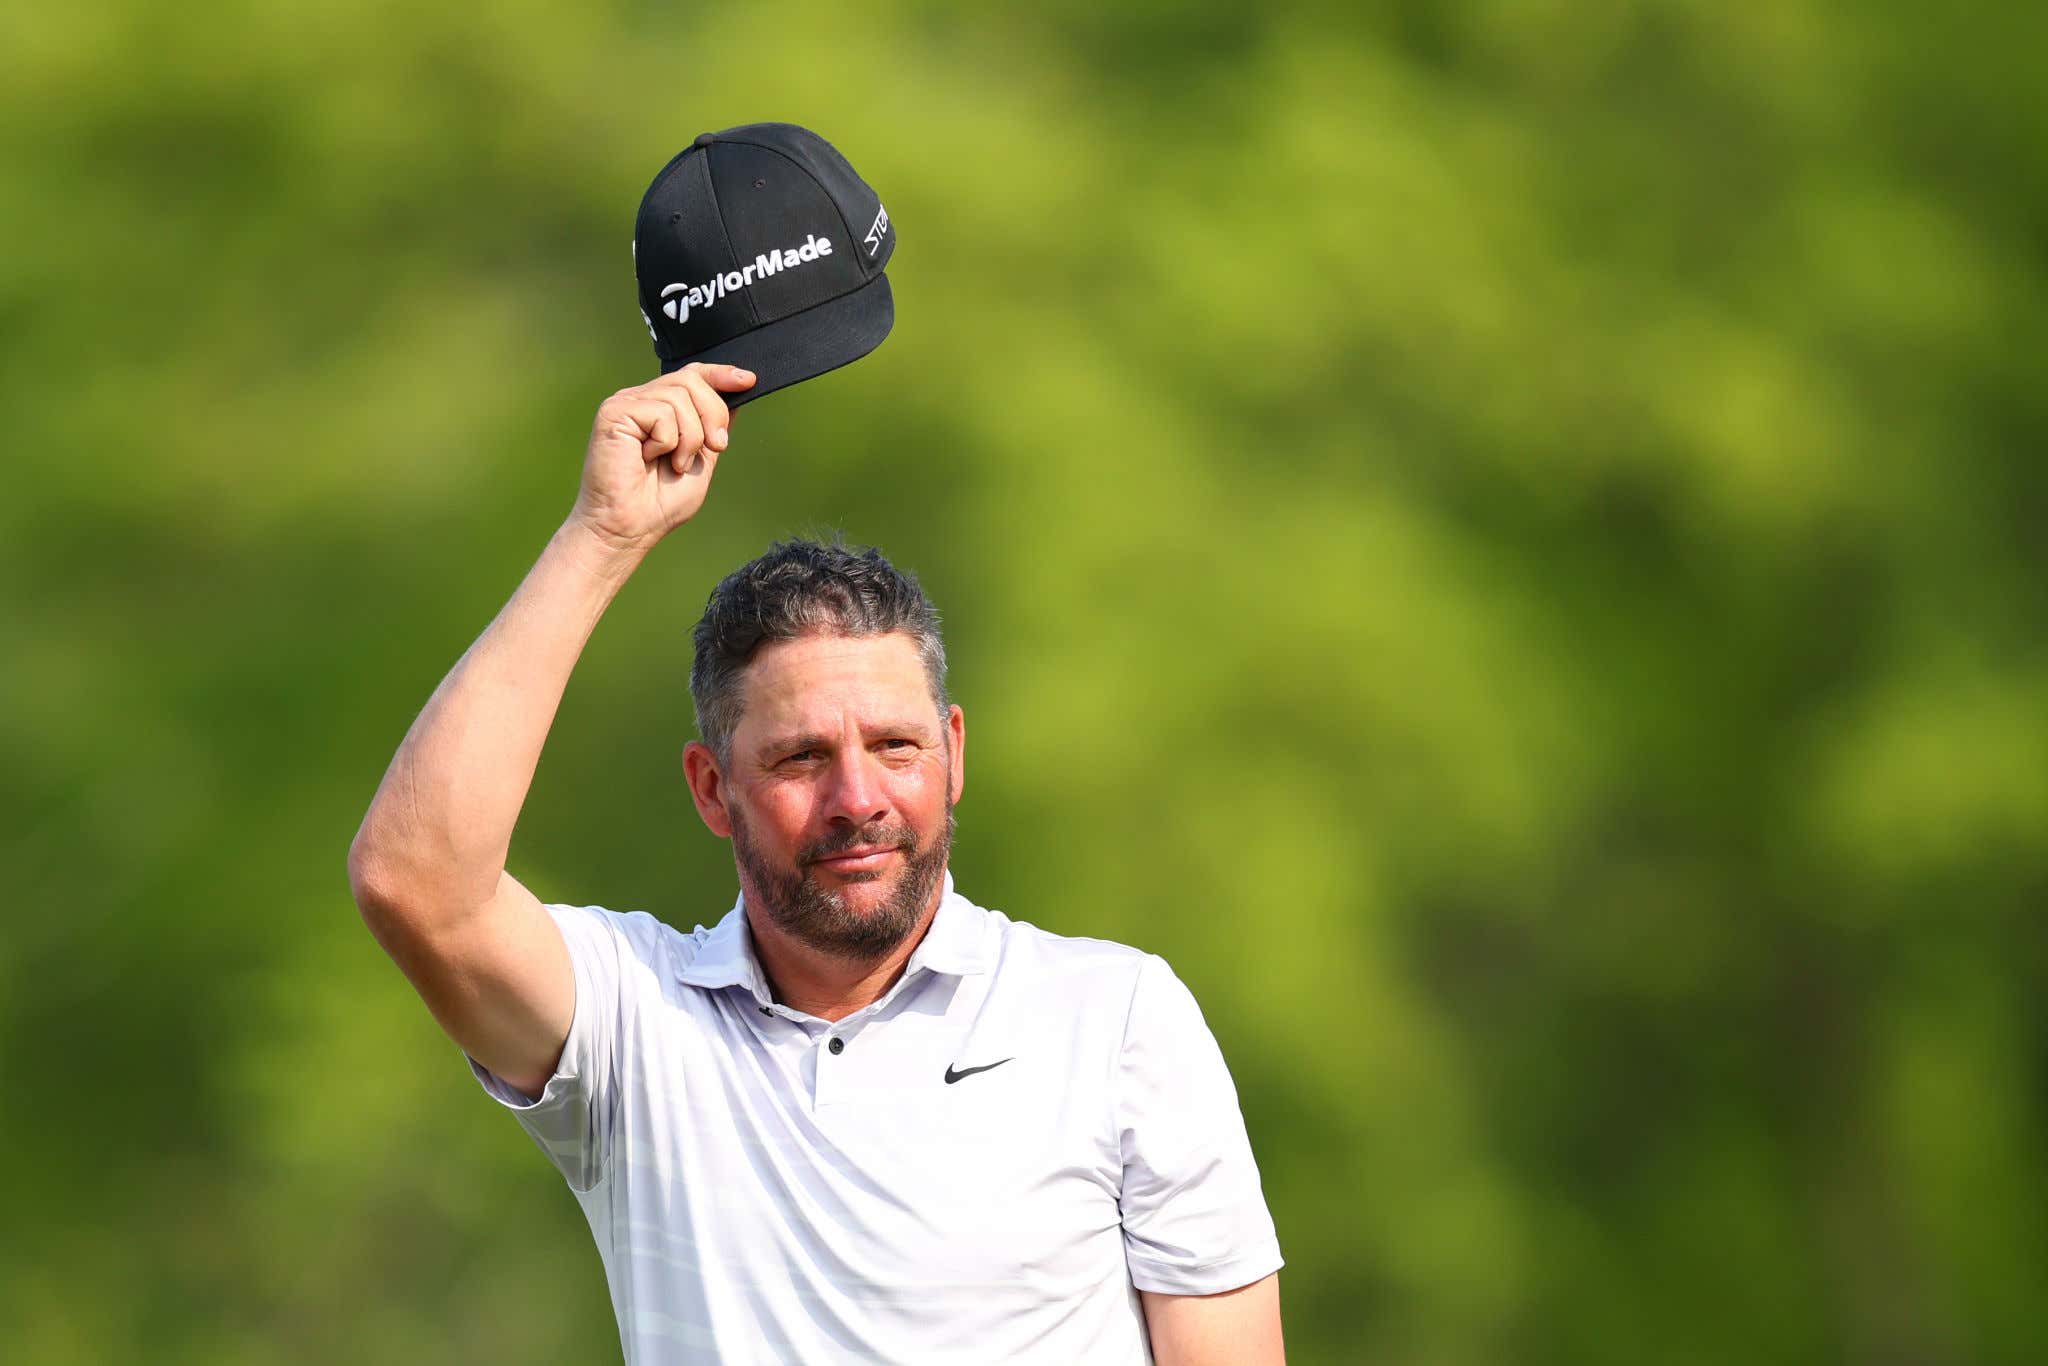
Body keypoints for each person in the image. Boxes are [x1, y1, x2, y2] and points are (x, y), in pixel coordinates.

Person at [346, 364, 1286, 1363]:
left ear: (953, 753)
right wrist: (602, 535)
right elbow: (416, 881)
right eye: (801, 758)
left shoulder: (1117, 1018)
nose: (857, 799)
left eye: (895, 746)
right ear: (712, 788)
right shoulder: (634, 1026)